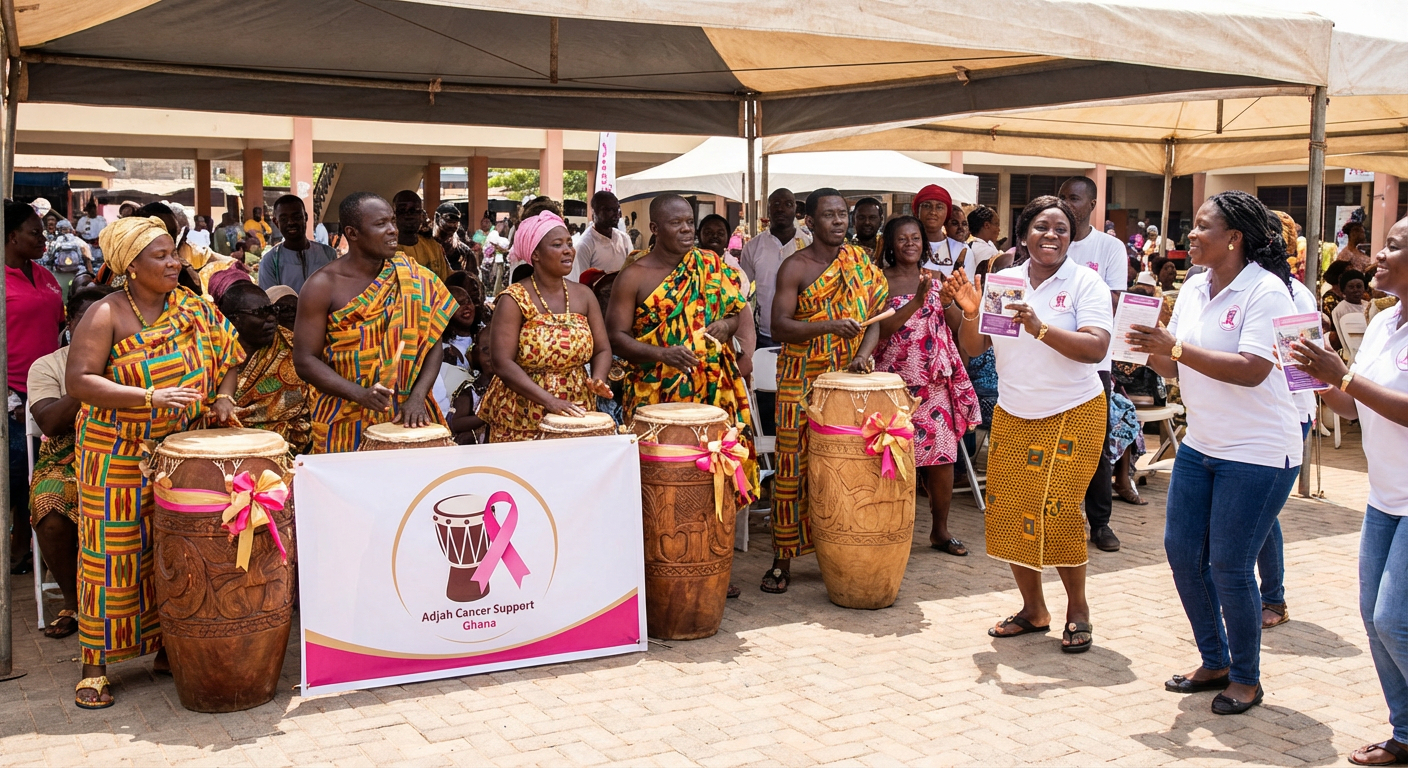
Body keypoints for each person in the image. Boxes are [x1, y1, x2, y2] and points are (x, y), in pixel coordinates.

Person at [1126, 190, 1302, 715]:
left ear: (1234, 238)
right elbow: (1175, 368)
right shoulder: (1197, 287)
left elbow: (1252, 369)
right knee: (1183, 553)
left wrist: (1173, 347)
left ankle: (1247, 678)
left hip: (1260, 451)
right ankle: (1215, 660)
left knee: (1229, 564)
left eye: (1202, 228)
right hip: (1203, 445)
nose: (1190, 236)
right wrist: (1147, 351)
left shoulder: (1266, 292)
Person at [67, 215, 243, 708]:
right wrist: (147, 394)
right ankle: (94, 664)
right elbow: (79, 382)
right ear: (129, 266)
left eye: (174, 253)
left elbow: (229, 357)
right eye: (160, 256)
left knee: (173, 550)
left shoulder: (191, 306)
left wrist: (224, 399)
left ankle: (169, 645)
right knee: (112, 557)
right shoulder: (105, 314)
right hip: (114, 456)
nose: (174, 262)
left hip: (176, 452)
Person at [946, 196, 1113, 653]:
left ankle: (1077, 610)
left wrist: (1039, 326)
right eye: (1042, 227)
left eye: (1062, 228)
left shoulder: (1085, 283)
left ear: (1072, 236)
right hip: (1016, 412)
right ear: (1023, 235)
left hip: (1074, 411)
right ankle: (1033, 610)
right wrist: (971, 310)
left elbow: (1096, 349)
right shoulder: (1005, 282)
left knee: (1057, 510)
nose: (1052, 236)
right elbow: (976, 347)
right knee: (1007, 511)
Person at [1288, 215, 1408, 766]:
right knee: (1371, 616)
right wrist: (1314, 373)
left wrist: (1345, 375)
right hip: (1384, 497)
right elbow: (1353, 405)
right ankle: (1405, 734)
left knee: (1393, 620)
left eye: (1392, 246)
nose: (1374, 257)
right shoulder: (1385, 323)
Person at [764, 188, 888, 594]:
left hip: (846, 382)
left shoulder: (860, 262)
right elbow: (780, 326)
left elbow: (875, 320)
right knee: (792, 468)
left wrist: (864, 357)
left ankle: (840, 548)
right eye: (830, 215)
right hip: (799, 382)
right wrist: (829, 326)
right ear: (810, 222)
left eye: (843, 214)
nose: (839, 221)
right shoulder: (794, 267)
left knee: (845, 467)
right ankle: (782, 558)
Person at [293, 192, 456, 453]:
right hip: (343, 418)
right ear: (352, 233)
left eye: (392, 221)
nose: (393, 230)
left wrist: (417, 397)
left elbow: (432, 342)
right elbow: (304, 360)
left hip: (406, 417)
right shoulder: (322, 286)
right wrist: (359, 393)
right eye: (381, 224)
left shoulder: (414, 277)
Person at [873, 215, 980, 556]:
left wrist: (949, 301)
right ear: (890, 244)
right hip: (892, 384)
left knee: (942, 459)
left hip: (933, 382)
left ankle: (940, 530)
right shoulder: (879, 281)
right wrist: (917, 301)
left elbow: (953, 326)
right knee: (891, 456)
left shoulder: (935, 278)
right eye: (902, 238)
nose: (910, 243)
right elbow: (880, 331)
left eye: (916, 238)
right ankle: (890, 530)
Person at [606, 194, 753, 437]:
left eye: (689, 222)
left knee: (714, 466)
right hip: (654, 393)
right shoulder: (633, 276)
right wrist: (662, 354)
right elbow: (615, 337)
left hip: (713, 389)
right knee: (660, 468)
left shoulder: (709, 264)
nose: (686, 229)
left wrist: (727, 326)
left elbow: (734, 314)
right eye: (676, 223)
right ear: (655, 228)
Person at [478, 210, 612, 442]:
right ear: (536, 254)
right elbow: (502, 363)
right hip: (522, 411)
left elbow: (602, 349)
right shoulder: (513, 299)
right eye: (557, 244)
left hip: (576, 407)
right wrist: (549, 400)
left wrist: (597, 379)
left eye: (569, 243)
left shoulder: (584, 295)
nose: (568, 249)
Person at [27, 285, 113, 639]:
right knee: (48, 506)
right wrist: (88, 382)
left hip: (121, 451)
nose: (94, 328)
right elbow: (48, 422)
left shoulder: (135, 356)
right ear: (71, 323)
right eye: (86, 320)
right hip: (66, 457)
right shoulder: (48, 365)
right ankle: (74, 603)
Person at [1059, 176, 1129, 550]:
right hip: (1046, 359)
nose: (1066, 204)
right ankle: (1061, 516)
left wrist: (1060, 318)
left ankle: (1100, 523)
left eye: (1074, 198)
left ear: (1091, 205)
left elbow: (1112, 302)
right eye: (1062, 197)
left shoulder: (1110, 248)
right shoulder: (1051, 240)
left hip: (1093, 363)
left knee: (1094, 444)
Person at [5, 200, 66, 576]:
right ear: (12, 236)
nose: (43, 238)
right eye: (34, 232)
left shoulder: (43, 274)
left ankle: (26, 546)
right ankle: (15, 547)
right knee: (14, 472)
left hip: (50, 388)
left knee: (37, 470)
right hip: (13, 392)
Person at [209, 282, 312, 453]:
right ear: (233, 318)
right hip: (220, 447)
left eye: (272, 310)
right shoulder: (211, 352)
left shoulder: (291, 348)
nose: (271, 318)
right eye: (261, 313)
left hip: (285, 448)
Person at [741, 188, 811, 348]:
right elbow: (741, 290)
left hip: (801, 335)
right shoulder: (753, 247)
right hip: (765, 335)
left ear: (795, 209)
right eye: (776, 204)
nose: (781, 208)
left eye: (787, 204)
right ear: (768, 209)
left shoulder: (808, 245)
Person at [257, 195, 339, 293]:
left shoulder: (328, 254)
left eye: (297, 217)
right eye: (284, 219)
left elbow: (337, 293)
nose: (291, 222)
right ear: (276, 222)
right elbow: (270, 300)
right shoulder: (270, 262)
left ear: (306, 217)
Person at [570, 191, 633, 280]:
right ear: (595, 211)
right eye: (609, 210)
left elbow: (631, 271)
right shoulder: (584, 245)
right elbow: (581, 282)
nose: (616, 214)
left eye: (617, 209)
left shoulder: (624, 238)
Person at [390, 190, 449, 281]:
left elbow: (445, 280)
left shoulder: (434, 247)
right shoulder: (385, 250)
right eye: (402, 210)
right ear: (394, 215)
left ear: (421, 215)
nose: (408, 215)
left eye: (413, 211)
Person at [914, 184, 966, 277]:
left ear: (947, 213)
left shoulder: (961, 250)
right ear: (917, 211)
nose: (933, 212)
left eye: (939, 207)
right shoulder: (906, 246)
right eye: (926, 206)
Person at [434, 202, 476, 274]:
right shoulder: (426, 246)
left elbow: (473, 278)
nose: (453, 225)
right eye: (449, 221)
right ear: (437, 219)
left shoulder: (464, 252)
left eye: (456, 222)